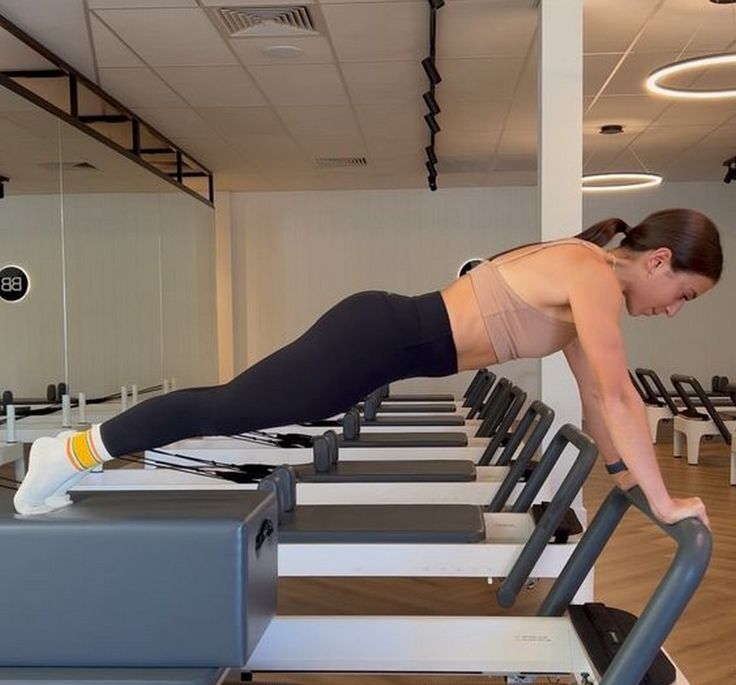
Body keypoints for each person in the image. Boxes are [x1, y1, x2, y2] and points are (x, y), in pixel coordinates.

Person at [13, 208, 720, 527]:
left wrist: (629, 479)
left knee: (230, 405)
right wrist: (663, 499)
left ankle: (74, 453)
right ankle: (68, 450)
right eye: (683, 295)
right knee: (224, 407)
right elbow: (623, 395)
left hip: (385, 341)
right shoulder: (590, 270)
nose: (674, 309)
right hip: (380, 335)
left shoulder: (585, 286)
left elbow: (600, 402)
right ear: (658, 261)